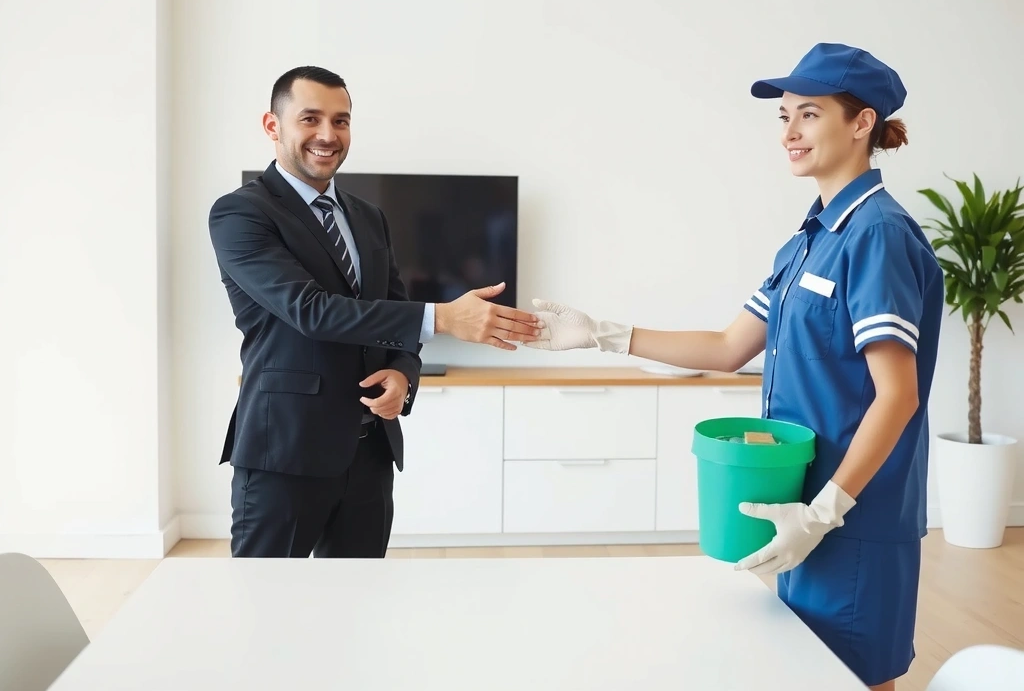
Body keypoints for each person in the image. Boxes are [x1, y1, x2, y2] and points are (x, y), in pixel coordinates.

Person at [523, 43, 943, 691]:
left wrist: (826, 511)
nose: (790, 133)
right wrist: (602, 334)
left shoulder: (877, 235)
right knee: (809, 674)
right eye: (783, 118)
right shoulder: (808, 240)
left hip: (855, 517)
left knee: (856, 680)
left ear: (862, 123)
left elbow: (898, 395)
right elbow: (726, 346)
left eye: (808, 114)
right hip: (802, 506)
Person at [208, 65, 541, 559]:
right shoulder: (241, 213)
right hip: (286, 454)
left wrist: (405, 373)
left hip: (368, 454)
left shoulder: (367, 216)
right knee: (269, 611)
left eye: (341, 121)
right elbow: (310, 311)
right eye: (311, 119)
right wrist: (444, 318)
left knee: (357, 610)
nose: (328, 135)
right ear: (272, 125)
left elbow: (396, 308)